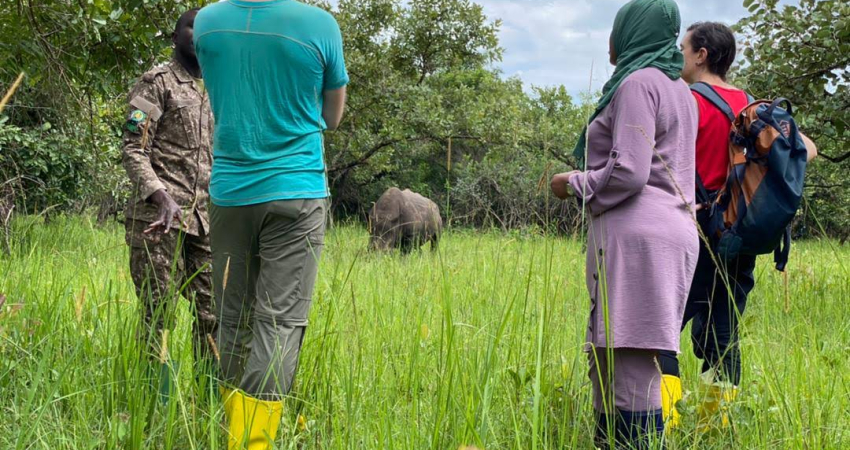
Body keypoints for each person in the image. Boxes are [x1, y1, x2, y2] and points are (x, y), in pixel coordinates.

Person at [194, 0, 348, 448]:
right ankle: (253, 442)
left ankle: (232, 431)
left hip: (230, 191)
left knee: (232, 317)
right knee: (278, 321)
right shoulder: (319, 24)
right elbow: (332, 117)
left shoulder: (207, 22)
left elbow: (224, 91)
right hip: (296, 190)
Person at [656, 21, 818, 431]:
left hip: (693, 232)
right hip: (740, 233)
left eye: (683, 47)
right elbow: (807, 150)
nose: (678, 55)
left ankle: (665, 425)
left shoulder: (686, 101)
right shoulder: (752, 105)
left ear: (701, 54)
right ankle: (713, 428)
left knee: (661, 328)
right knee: (723, 334)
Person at [550, 0, 698, 447]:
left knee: (630, 367)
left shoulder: (636, 84)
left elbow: (629, 172)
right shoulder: (680, 90)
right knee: (619, 358)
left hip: (639, 238)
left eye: (617, 29)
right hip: (669, 232)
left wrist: (571, 181)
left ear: (632, 32)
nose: (610, 41)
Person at [122, 8, 216, 392]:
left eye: (206, 29)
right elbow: (133, 147)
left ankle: (209, 398)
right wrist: (159, 195)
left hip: (205, 221)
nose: (198, 34)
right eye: (191, 27)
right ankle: (155, 400)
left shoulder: (216, 86)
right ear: (175, 36)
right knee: (159, 314)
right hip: (158, 220)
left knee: (214, 314)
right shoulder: (156, 83)